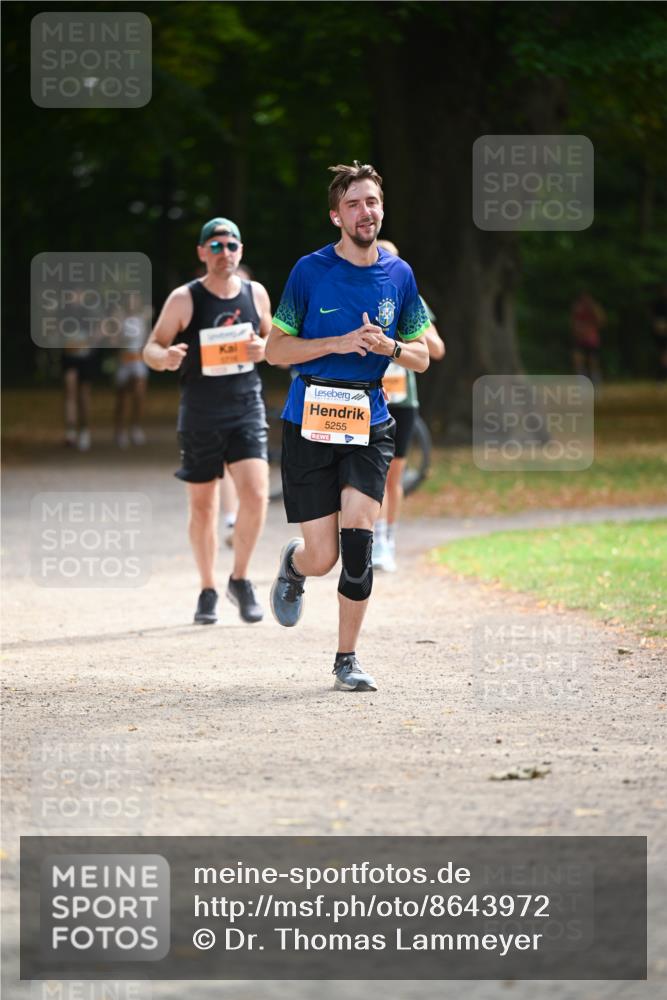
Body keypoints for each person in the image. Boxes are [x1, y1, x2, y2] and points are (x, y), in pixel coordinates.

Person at [265, 161, 430, 692]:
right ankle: (294, 565)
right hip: (310, 418)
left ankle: (346, 659)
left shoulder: (399, 275)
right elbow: (275, 349)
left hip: (370, 419)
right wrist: (334, 344)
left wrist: (393, 348)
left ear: (383, 209)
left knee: (358, 544)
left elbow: (425, 357)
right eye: (354, 204)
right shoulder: (309, 272)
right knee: (324, 556)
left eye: (373, 202)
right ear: (336, 215)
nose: (366, 212)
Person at [143, 217, 272, 625]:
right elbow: (151, 345)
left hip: (246, 407)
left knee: (255, 494)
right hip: (200, 411)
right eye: (215, 246)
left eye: (231, 245)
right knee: (203, 507)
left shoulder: (256, 294)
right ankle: (207, 588)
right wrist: (162, 359)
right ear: (202, 253)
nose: (224, 253)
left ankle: (241, 578)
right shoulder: (185, 299)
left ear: (241, 251)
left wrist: (263, 349)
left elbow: (277, 344)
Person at [373, 239, 445, 572]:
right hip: (366, 395)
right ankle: (368, 537)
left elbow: (437, 349)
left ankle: (387, 539)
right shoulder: (363, 292)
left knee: (394, 474)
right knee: (368, 471)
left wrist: (412, 324)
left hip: (402, 399)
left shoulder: (412, 299)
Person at [61, 288, 98, 451]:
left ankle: (84, 430)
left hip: (85, 358)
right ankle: (70, 431)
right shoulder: (62, 314)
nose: (75, 297)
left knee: (84, 395)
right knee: (70, 391)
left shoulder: (89, 314)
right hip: (69, 358)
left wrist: (84, 344)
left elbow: (98, 333)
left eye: (77, 293)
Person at [114, 291, 152, 448]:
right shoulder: (119, 319)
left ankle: (135, 426)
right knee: (122, 398)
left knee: (139, 393)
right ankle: (120, 430)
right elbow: (114, 341)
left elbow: (148, 340)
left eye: (134, 300)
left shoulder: (142, 319)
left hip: (138, 360)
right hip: (124, 361)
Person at [571, 290, 605, 384]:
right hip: (580, 337)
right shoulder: (578, 307)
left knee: (593, 361)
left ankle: (595, 380)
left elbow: (601, 321)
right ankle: (582, 380)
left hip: (592, 338)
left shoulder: (594, 308)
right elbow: (574, 322)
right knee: (577, 358)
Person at [650, 282, 667, 381]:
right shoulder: (658, 304)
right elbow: (655, 322)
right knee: (663, 355)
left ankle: (661, 375)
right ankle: (661, 375)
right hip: (661, 334)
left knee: (664, 355)